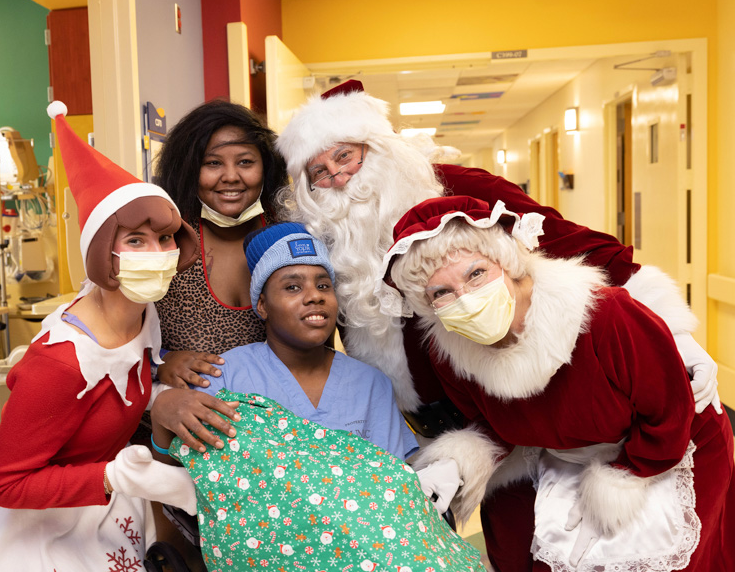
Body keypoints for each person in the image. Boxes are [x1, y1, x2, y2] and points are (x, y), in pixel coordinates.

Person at [274, 80, 721, 569]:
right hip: (473, 421)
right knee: (515, 551)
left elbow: (585, 247)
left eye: (346, 156)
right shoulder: (323, 240)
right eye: (319, 171)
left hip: (570, 395)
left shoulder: (456, 187)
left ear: (378, 149)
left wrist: (673, 335)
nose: (338, 178)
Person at [380, 195, 735, 571]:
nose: (465, 301)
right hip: (568, 452)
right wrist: (458, 462)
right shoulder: (449, 353)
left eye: (476, 274)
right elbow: (495, 425)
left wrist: (622, 481)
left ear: (507, 263)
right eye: (441, 293)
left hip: (669, 445)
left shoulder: (605, 314)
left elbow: (669, 411)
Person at [0, 101, 238, 571]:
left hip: (104, 514)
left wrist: (160, 383)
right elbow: (6, 485)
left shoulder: (144, 312)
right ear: (103, 253)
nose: (159, 252)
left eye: (165, 238)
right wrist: (114, 475)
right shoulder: (62, 362)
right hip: (39, 527)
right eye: (134, 241)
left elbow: (119, 382)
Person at [150, 223, 484, 571]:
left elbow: (395, 484)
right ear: (262, 305)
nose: (314, 295)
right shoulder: (225, 376)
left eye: (324, 285)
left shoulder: (370, 383)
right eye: (292, 287)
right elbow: (182, 473)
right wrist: (162, 413)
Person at [152, 100, 289, 388]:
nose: (230, 176)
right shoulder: (163, 240)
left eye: (245, 162)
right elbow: (115, 335)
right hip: (180, 419)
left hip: (279, 422)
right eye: (213, 163)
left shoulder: (290, 236)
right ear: (189, 168)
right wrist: (160, 363)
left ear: (266, 167)